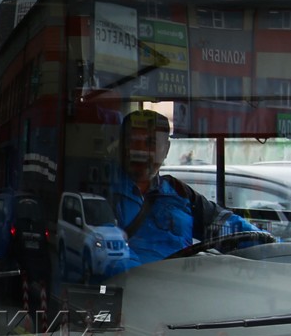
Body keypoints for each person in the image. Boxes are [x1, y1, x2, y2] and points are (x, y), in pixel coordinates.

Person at [110, 108, 261, 270]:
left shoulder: (179, 192)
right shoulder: (104, 191)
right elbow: (108, 256)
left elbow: (230, 227)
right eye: (133, 142)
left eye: (150, 144)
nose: (140, 151)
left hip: (185, 286)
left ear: (166, 149)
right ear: (122, 146)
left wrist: (273, 247)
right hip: (134, 288)